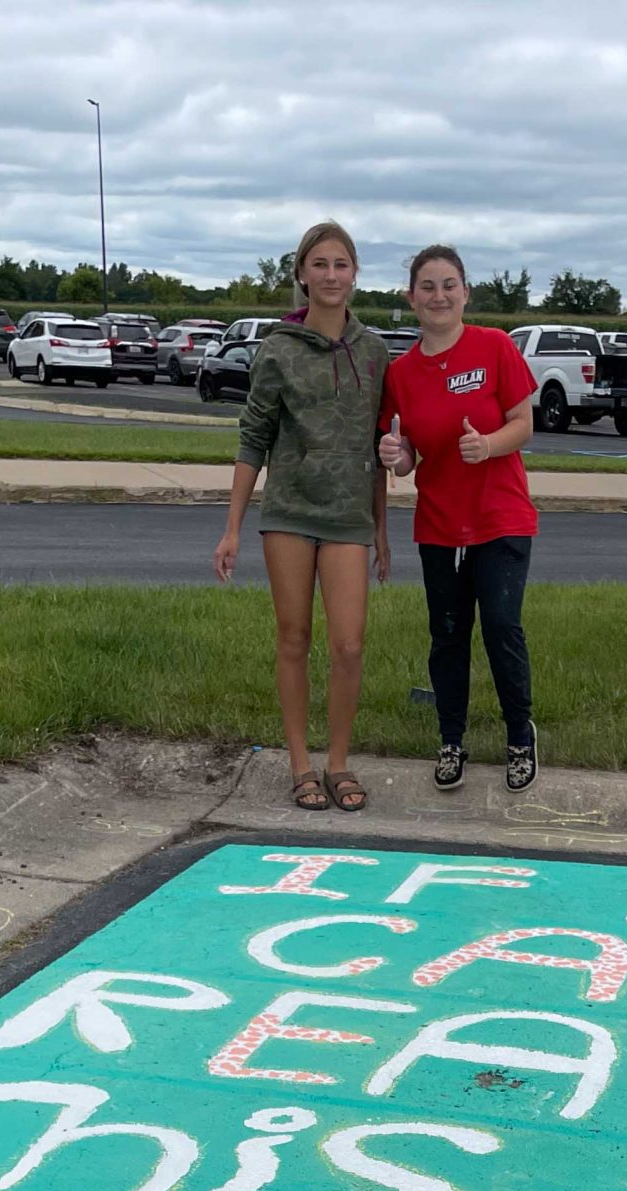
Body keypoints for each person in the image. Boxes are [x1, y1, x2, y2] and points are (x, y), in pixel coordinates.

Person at [213, 221, 390, 813]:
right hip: (288, 512)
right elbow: (253, 438)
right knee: (294, 639)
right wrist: (234, 526)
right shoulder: (277, 349)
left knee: (348, 644)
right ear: (301, 275)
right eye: (320, 265)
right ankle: (299, 764)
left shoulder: (374, 352)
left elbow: (378, 448)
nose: (331, 275)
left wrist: (381, 533)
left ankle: (338, 762)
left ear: (355, 274)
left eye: (341, 264)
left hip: (346, 517)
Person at [378, 244, 539, 793]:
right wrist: (395, 456)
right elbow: (407, 453)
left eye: (449, 284)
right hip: (440, 525)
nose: (439, 295)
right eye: (427, 286)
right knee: (448, 636)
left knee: (500, 626)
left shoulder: (494, 347)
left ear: (465, 292)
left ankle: (520, 737)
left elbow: (524, 424)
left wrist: (489, 445)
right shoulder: (401, 374)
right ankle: (451, 742)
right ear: (412, 298)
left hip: (501, 517)